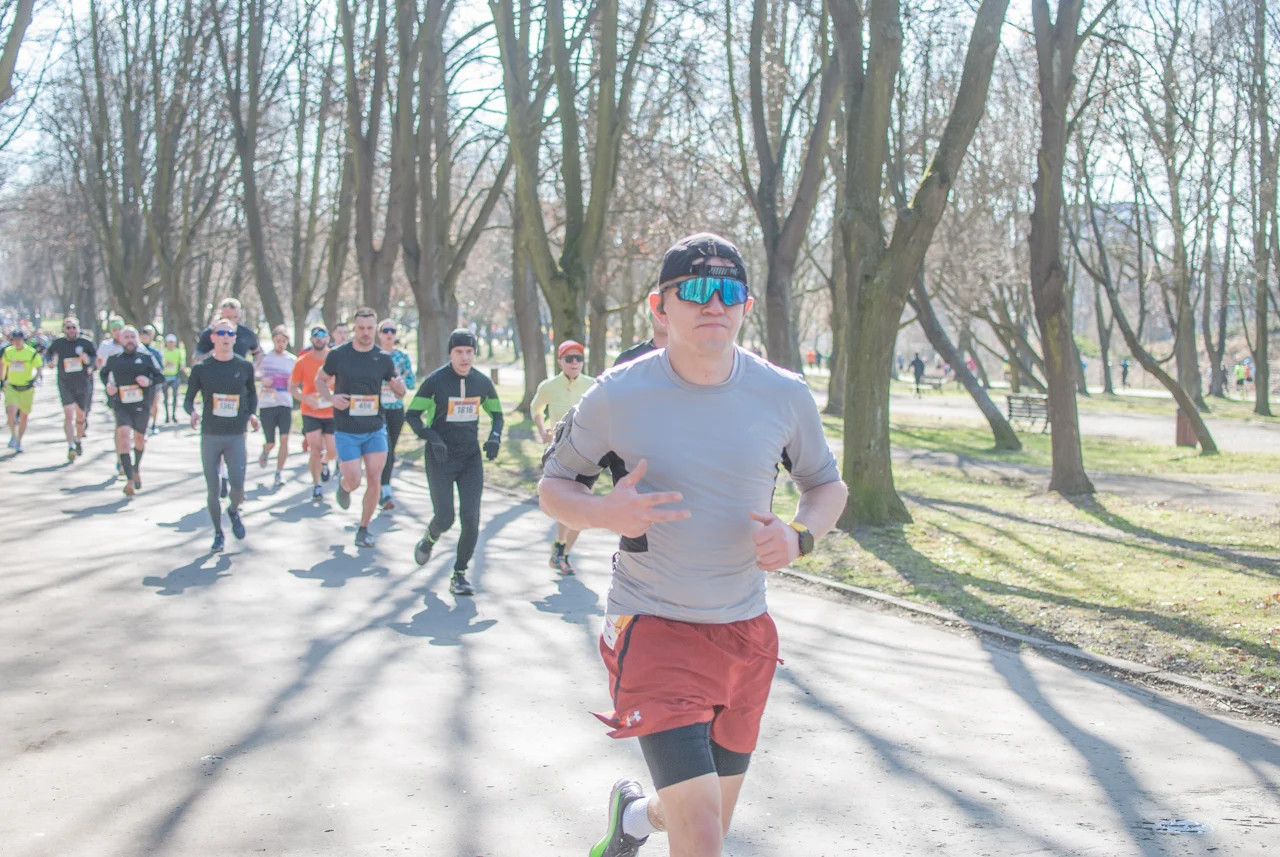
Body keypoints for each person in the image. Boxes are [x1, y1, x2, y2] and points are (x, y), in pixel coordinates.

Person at [538, 232, 847, 857]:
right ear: (660, 306)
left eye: (729, 292)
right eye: (697, 291)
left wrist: (800, 536)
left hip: (745, 633)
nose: (715, 304)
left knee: (704, 820)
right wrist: (603, 511)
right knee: (703, 836)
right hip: (652, 625)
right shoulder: (617, 393)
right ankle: (656, 816)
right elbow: (553, 486)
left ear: (746, 307)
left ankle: (635, 817)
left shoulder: (783, 393)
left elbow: (826, 486)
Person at [405, 328, 504, 596]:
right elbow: (412, 415)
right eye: (459, 352)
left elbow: (497, 415)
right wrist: (431, 436)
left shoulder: (482, 383)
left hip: (470, 458)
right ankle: (429, 538)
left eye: (469, 352)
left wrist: (495, 438)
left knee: (471, 518)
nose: (465, 357)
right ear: (450, 353)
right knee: (445, 517)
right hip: (440, 457)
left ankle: (459, 574)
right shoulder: (436, 382)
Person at [315, 308, 405, 548]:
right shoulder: (339, 355)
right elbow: (320, 380)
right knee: (354, 480)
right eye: (361, 328)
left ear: (375, 329)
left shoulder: (383, 358)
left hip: (375, 426)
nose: (366, 333)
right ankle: (345, 487)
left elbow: (399, 388)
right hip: (346, 428)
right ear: (354, 328)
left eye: (370, 328)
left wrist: (399, 387)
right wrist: (332, 398)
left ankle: (363, 528)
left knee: (375, 477)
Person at [185, 318, 259, 552]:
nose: (226, 337)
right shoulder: (201, 368)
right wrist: (193, 413)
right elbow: (188, 399)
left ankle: (234, 510)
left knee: (237, 486)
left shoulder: (244, 366)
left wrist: (252, 415)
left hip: (236, 434)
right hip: (211, 434)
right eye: (222, 333)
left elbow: (252, 395)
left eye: (230, 333)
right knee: (213, 488)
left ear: (235, 338)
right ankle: (218, 533)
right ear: (213, 338)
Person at [531, 339, 595, 574]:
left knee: (583, 504)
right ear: (560, 361)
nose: (575, 362)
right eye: (569, 358)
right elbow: (535, 408)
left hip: (589, 453)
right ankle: (560, 549)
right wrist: (541, 430)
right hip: (560, 453)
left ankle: (562, 551)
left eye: (579, 358)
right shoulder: (549, 386)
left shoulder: (593, 384)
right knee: (568, 502)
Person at [101, 326, 165, 495]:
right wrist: (109, 386)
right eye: (126, 337)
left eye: (132, 337)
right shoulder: (114, 359)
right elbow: (103, 374)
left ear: (136, 339)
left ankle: (136, 468)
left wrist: (148, 381)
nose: (129, 340)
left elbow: (160, 376)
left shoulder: (146, 358)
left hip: (142, 404)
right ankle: (129, 478)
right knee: (122, 435)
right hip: (121, 404)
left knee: (139, 438)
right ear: (120, 340)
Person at [290, 326, 338, 500]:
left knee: (332, 450)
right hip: (311, 411)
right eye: (315, 336)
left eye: (322, 336)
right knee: (315, 449)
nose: (319, 339)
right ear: (311, 339)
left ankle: (325, 462)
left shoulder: (335, 358)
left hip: (331, 412)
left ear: (327, 338)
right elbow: (292, 387)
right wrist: (305, 398)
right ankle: (317, 484)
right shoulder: (302, 361)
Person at [44, 317, 97, 460]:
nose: (71, 330)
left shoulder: (85, 342)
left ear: (78, 328)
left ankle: (78, 439)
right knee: (68, 414)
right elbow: (49, 353)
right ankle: (70, 445)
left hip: (83, 383)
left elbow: (95, 359)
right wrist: (49, 361)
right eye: (68, 328)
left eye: (73, 327)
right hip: (65, 382)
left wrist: (90, 365)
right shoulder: (59, 343)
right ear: (64, 329)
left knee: (81, 416)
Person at [377, 319, 415, 510]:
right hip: (376, 410)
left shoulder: (402, 357)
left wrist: (400, 378)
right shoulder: (374, 356)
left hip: (396, 409)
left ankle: (381, 485)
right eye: (385, 330)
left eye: (392, 330)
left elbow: (410, 382)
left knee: (391, 450)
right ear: (380, 334)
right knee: (386, 450)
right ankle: (384, 489)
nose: (389, 334)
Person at [257, 325, 297, 489]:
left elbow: (296, 380)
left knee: (284, 438)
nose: (280, 344)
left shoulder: (292, 360)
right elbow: (255, 373)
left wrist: (293, 385)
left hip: (285, 403)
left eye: (283, 341)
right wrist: (262, 380)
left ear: (287, 342)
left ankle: (279, 472)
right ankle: (266, 450)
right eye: (277, 341)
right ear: (273, 340)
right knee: (271, 441)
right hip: (267, 404)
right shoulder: (265, 358)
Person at [2, 329, 42, 453]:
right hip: (12, 387)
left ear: (23, 340)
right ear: (12, 341)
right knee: (11, 412)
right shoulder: (8, 352)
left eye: (19, 339)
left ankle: (19, 440)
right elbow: (2, 364)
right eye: (15, 340)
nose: (17, 342)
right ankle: (13, 434)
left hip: (26, 388)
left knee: (24, 417)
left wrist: (35, 379)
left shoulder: (31, 352)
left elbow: (39, 367)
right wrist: (3, 380)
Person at [193, 298, 262, 365]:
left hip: (238, 373)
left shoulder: (247, 333)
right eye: (228, 317)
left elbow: (258, 352)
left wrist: (255, 366)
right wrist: (214, 353)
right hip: (214, 373)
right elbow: (196, 359)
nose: (232, 321)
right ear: (221, 315)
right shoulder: (209, 333)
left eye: (235, 317)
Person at [138, 325, 165, 435]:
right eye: (143, 336)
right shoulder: (137, 350)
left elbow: (160, 368)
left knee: (154, 403)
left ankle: (154, 424)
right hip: (139, 382)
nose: (145, 338)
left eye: (147, 336)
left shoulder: (154, 352)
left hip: (153, 381)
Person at [161, 333, 186, 423]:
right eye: (169, 342)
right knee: (165, 396)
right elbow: (160, 362)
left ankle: (174, 415)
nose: (171, 344)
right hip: (165, 376)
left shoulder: (178, 351)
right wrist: (165, 364)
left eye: (172, 342)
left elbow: (182, 361)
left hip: (175, 375)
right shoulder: (163, 351)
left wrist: (182, 366)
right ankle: (167, 415)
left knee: (175, 395)